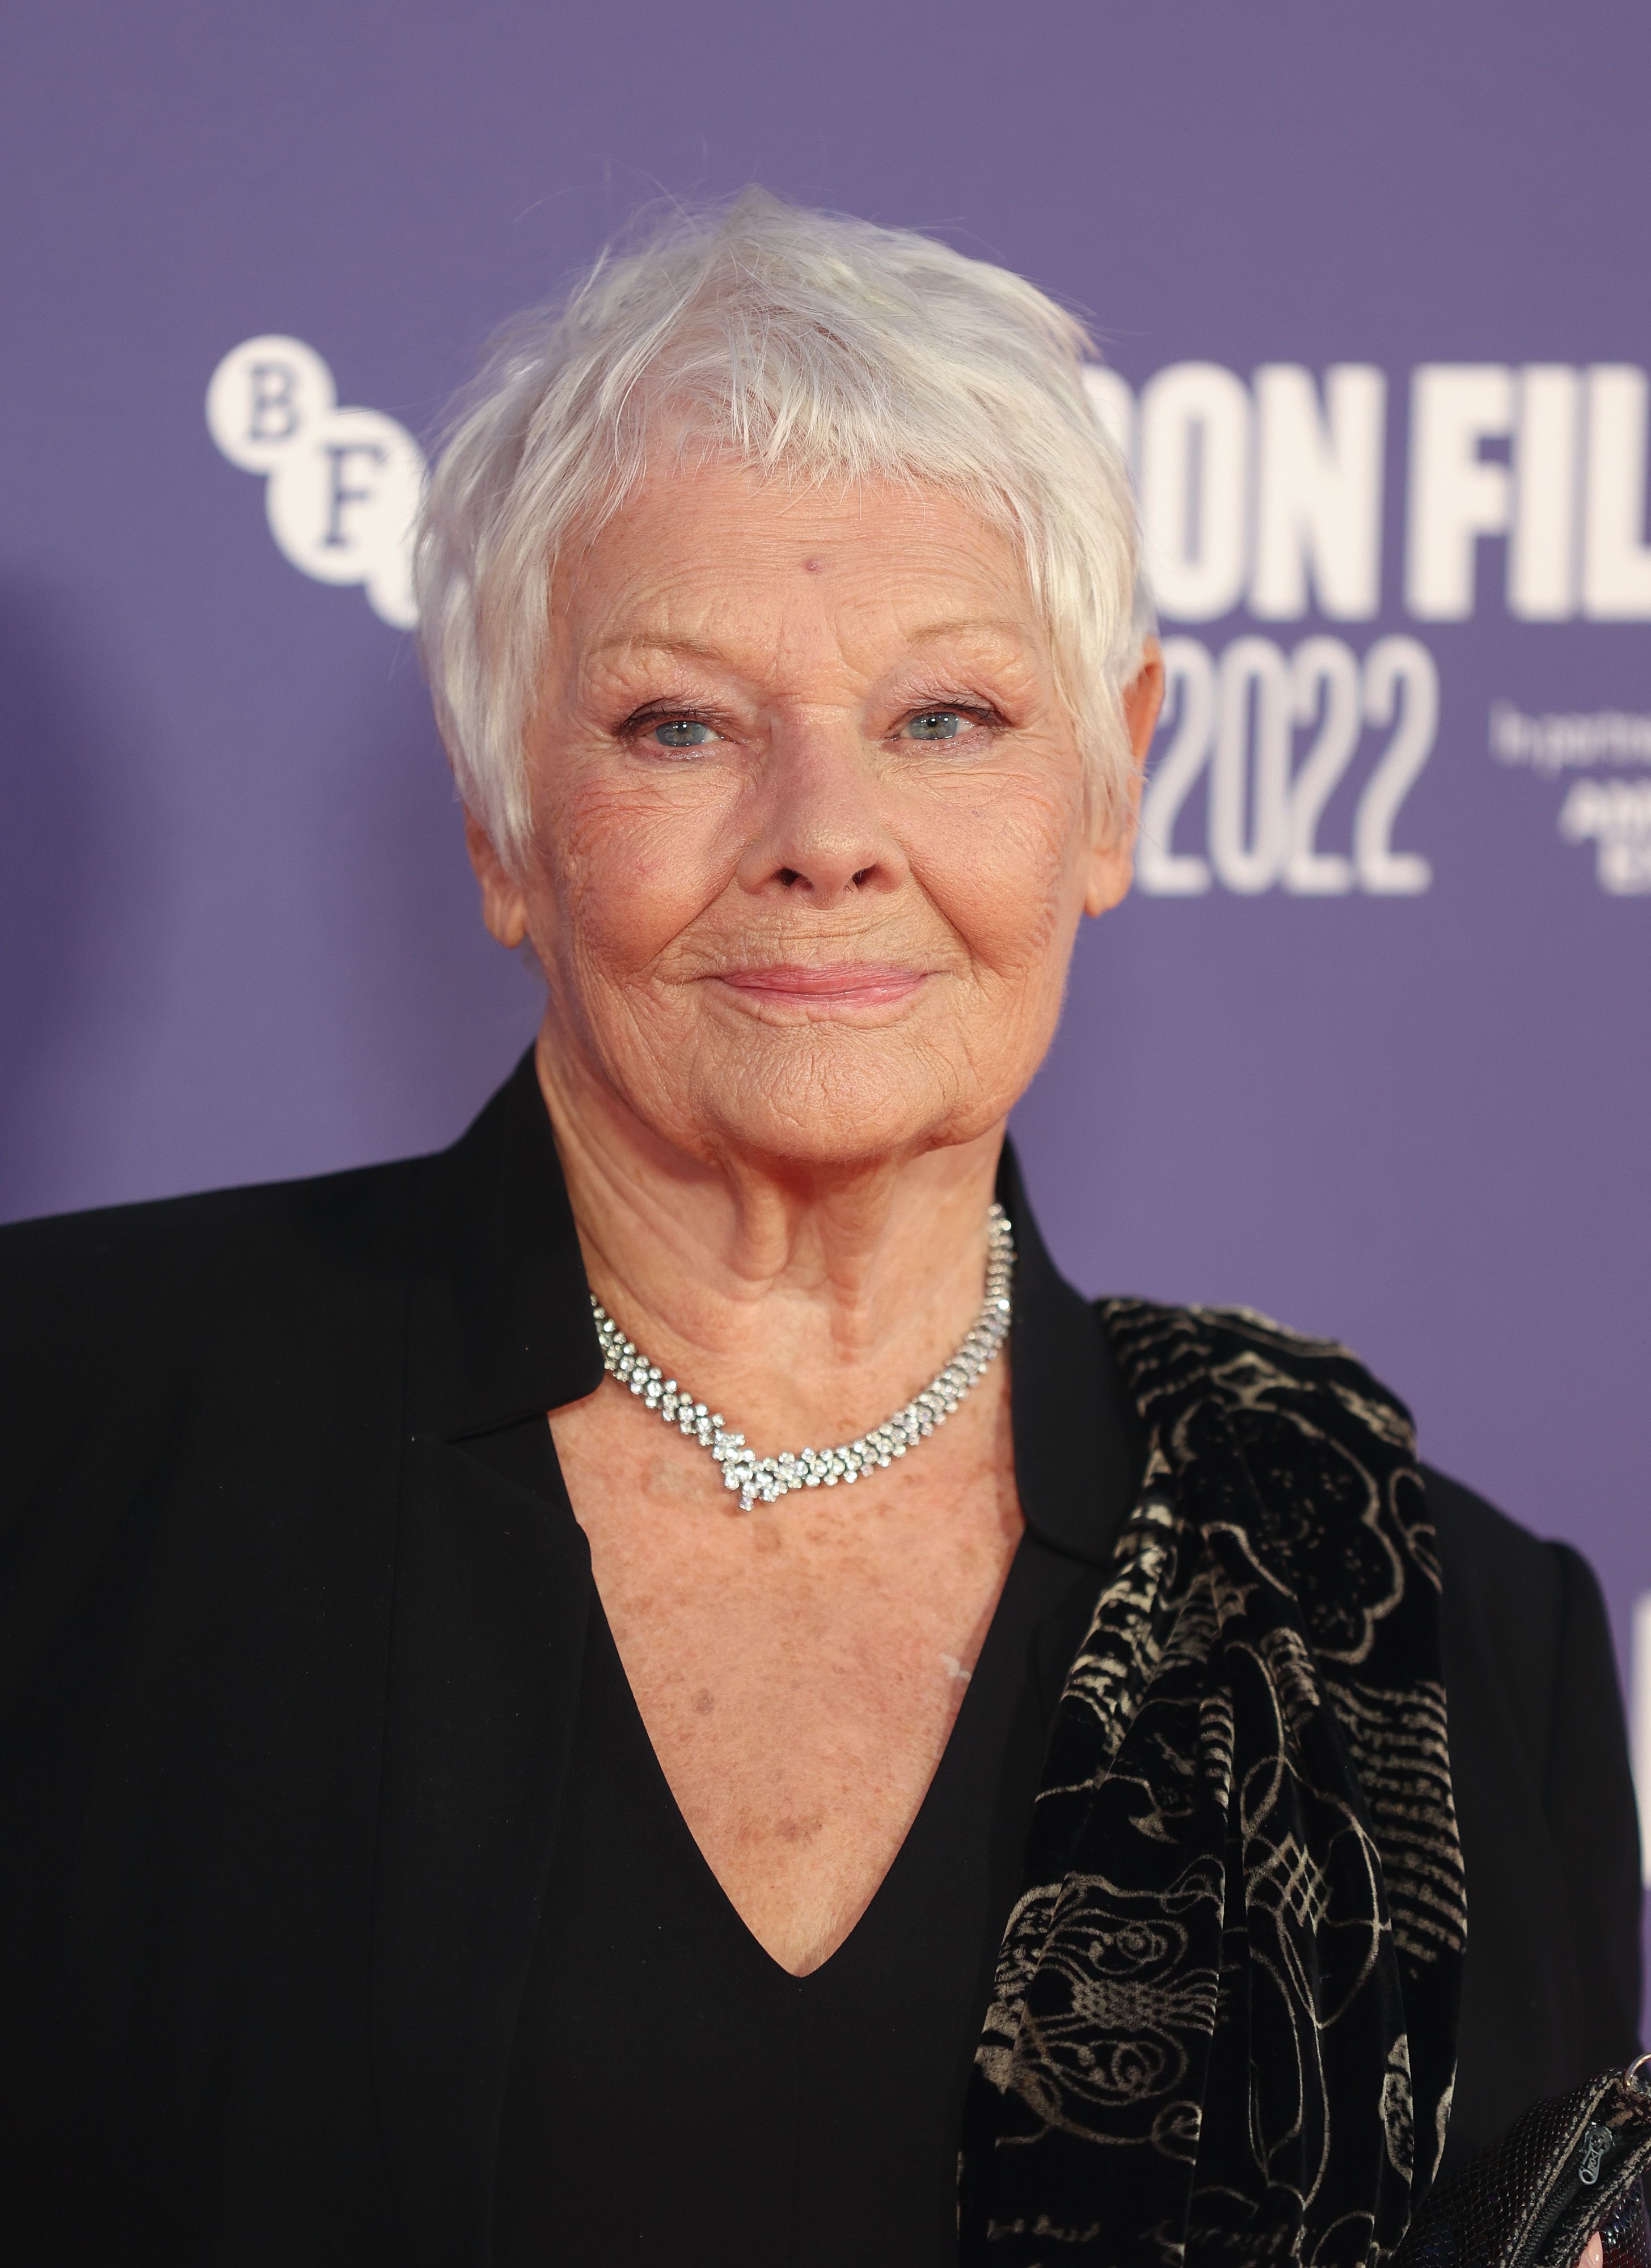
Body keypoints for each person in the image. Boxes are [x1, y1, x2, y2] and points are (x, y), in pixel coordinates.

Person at [0, 193, 1640, 2268]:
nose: (827, 841)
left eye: (945, 719)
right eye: (679, 724)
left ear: (1115, 786)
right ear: (505, 818)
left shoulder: (1441, 1639)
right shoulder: (55, 1454)